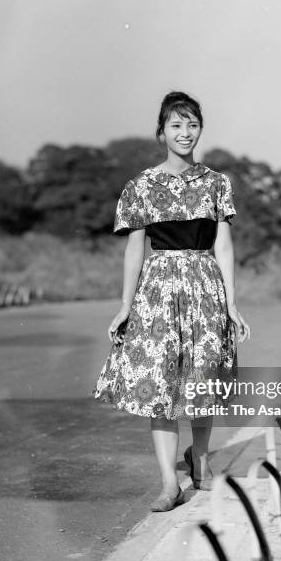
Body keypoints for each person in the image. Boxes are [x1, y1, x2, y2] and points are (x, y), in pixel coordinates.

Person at [92, 91, 251, 512]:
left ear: (200, 129)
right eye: (176, 125)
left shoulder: (216, 183)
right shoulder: (140, 186)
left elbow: (225, 250)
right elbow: (134, 250)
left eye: (192, 124)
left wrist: (232, 305)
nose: (185, 133)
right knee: (159, 386)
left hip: (205, 288)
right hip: (158, 290)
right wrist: (126, 305)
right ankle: (168, 485)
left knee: (201, 378)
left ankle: (199, 458)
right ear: (161, 132)